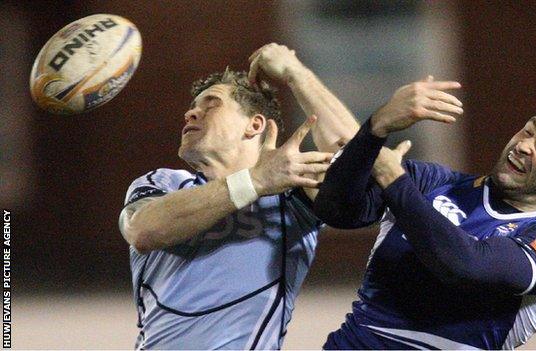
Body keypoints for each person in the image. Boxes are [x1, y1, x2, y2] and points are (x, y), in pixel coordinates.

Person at [314, 77, 536, 349]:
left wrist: (394, 180)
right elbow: (337, 211)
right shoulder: (432, 182)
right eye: (528, 131)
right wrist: (376, 128)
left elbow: (464, 265)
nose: (525, 145)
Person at [118, 43, 359, 349]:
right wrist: (255, 180)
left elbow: (361, 163)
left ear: (254, 124)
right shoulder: (164, 182)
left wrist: (297, 74)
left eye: (212, 103)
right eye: (194, 106)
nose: (191, 112)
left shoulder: (294, 194)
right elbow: (142, 230)